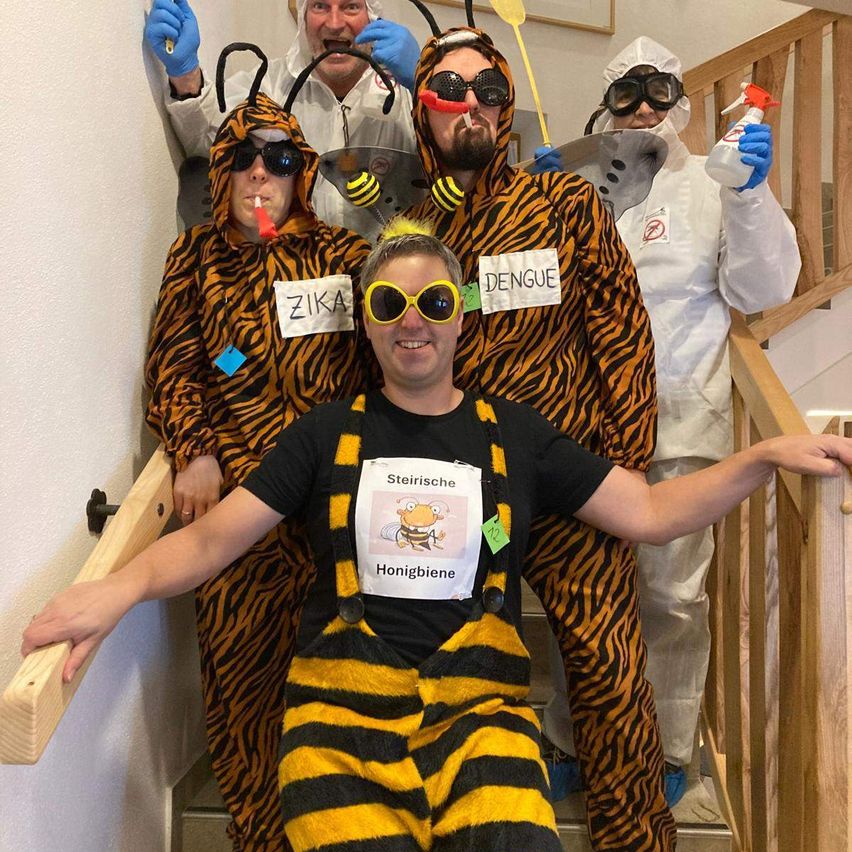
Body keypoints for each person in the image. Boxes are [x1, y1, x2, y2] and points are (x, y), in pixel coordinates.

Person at [22, 226, 850, 852]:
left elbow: (651, 512)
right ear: (369, 327)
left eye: (434, 303)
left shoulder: (518, 435)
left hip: (480, 713)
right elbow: (210, 545)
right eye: (388, 304)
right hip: (336, 719)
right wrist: (116, 589)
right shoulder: (320, 434)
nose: (411, 320)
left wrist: (765, 454)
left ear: (461, 320)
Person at [403, 27, 670, 849]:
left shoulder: (567, 207)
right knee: (445, 678)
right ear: (423, 109)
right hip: (458, 502)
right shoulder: (408, 239)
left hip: (572, 490)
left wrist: (623, 467)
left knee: (612, 672)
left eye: (489, 90)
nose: (473, 106)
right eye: (451, 90)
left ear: (507, 107)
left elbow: (622, 336)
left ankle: (634, 834)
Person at [539, 36, 801, 808]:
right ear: (608, 102)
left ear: (681, 99)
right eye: (628, 91)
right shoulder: (583, 183)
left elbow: (760, 288)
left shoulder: (713, 184)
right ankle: (570, 737)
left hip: (682, 422)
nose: (645, 105)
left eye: (658, 90)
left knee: (672, 599)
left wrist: (751, 196)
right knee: (575, 590)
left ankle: (665, 742)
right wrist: (536, 207)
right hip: (581, 427)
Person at [144, 67, 372, 849]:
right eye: (243, 159)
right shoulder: (195, 259)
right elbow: (174, 364)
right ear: (220, 173)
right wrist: (194, 449)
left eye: (279, 161)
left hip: (334, 505)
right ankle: (260, 832)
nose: (260, 176)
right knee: (242, 692)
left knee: (342, 686)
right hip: (238, 515)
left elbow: (398, 350)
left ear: (301, 173)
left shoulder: (344, 252)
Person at [144, 0, 419, 239]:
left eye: (351, 6)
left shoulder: (404, 93)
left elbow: (454, 159)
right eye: (320, 6)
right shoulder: (269, 86)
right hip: (296, 278)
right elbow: (207, 145)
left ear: (373, 16)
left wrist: (423, 80)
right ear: (303, 15)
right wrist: (185, 74)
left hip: (394, 284)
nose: (334, 23)